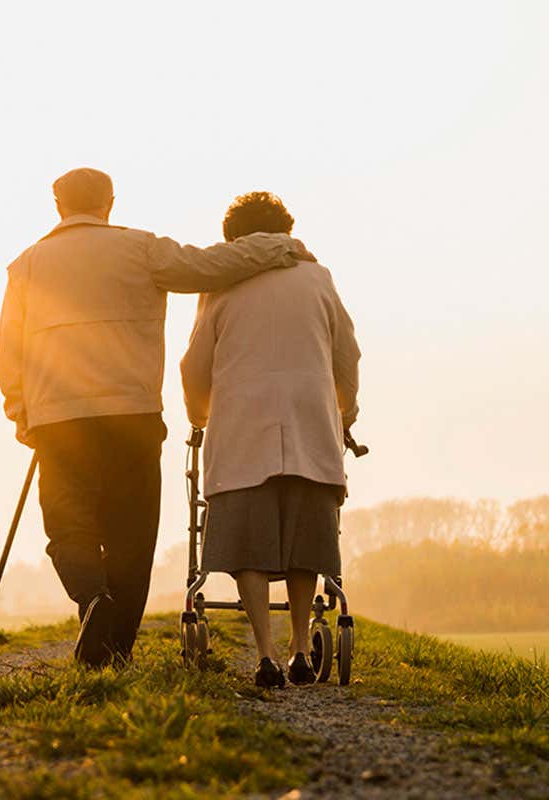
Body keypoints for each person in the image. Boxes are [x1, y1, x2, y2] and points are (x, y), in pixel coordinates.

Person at [0, 169, 312, 668]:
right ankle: (114, 652)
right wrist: (281, 247)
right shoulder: (140, 250)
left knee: (67, 525)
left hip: (59, 418)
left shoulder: (26, 266)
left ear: (56, 203)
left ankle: (91, 596)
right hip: (133, 415)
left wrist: (21, 412)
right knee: (131, 535)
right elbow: (214, 267)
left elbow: (8, 355)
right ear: (110, 202)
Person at [180, 191, 361, 688]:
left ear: (232, 239)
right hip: (310, 423)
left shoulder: (221, 285)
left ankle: (265, 654)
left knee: (248, 543)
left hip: (243, 427)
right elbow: (347, 354)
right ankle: (302, 647)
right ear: (286, 229)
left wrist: (200, 415)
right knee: (306, 542)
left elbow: (194, 365)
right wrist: (344, 410)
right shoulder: (318, 278)